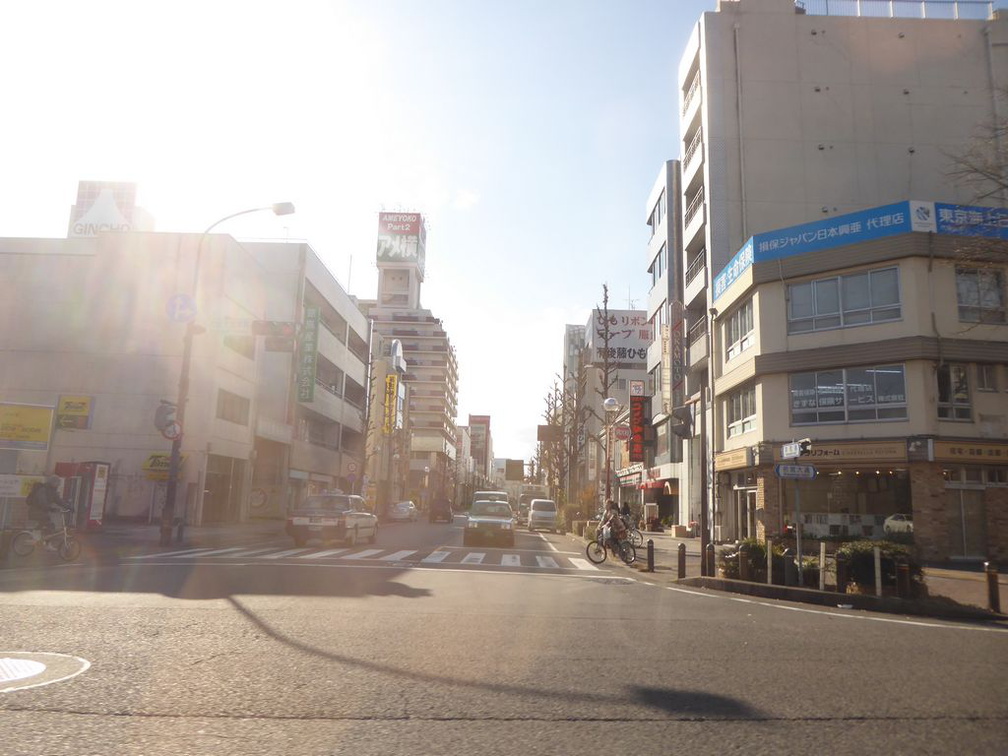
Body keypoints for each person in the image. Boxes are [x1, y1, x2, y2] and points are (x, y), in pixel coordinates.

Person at [26, 476, 68, 545]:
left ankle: (40, 539)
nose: (58, 484)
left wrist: (68, 506)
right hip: (35, 511)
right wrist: (51, 509)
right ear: (52, 482)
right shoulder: (43, 490)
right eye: (57, 483)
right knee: (49, 525)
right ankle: (40, 540)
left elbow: (58, 500)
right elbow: (42, 502)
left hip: (42, 513)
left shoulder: (53, 491)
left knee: (48, 525)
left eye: (59, 483)